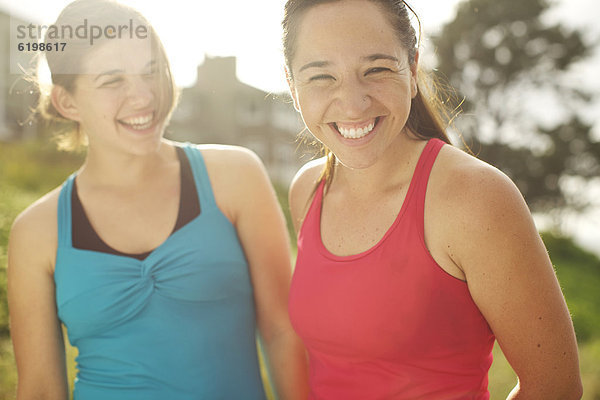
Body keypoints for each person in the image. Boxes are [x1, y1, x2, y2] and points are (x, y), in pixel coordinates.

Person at [7, 0, 308, 399]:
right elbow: (42, 389)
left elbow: (283, 331)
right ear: (67, 102)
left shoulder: (235, 177)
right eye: (113, 80)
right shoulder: (36, 231)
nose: (143, 96)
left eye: (152, 72)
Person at [282, 0, 582, 399]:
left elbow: (555, 387)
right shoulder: (308, 190)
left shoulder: (475, 198)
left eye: (376, 69)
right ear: (291, 86)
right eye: (322, 77)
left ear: (411, 69)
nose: (353, 103)